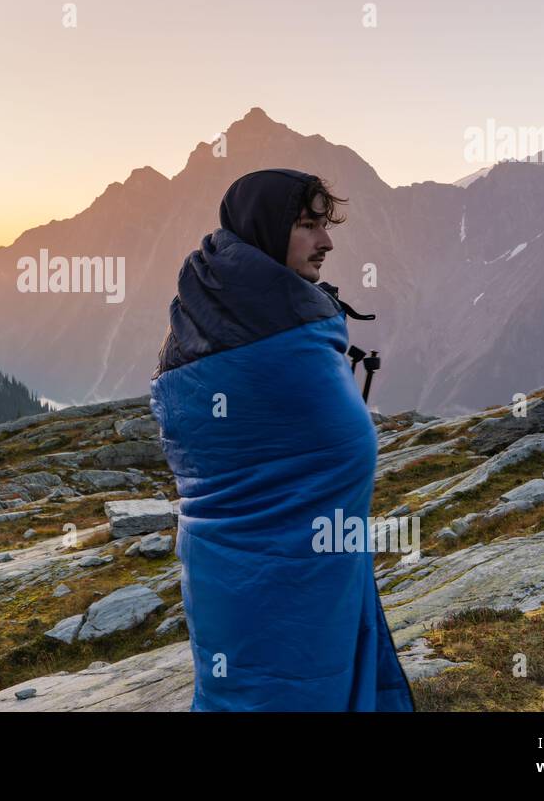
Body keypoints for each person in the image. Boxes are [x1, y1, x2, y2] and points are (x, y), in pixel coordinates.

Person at [150, 168, 416, 711]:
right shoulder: (245, 319)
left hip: (315, 555)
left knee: (302, 674)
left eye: (324, 224)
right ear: (264, 229)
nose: (327, 241)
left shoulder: (215, 308)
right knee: (270, 682)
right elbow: (198, 428)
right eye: (306, 225)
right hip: (249, 560)